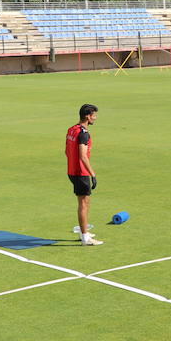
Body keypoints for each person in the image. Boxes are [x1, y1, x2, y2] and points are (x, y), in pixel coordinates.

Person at [66, 103, 103, 246]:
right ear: (88, 116)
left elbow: (66, 151)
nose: (95, 118)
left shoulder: (72, 129)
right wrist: (92, 174)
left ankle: (84, 231)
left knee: (85, 202)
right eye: (94, 115)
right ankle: (85, 238)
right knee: (83, 203)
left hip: (72, 171)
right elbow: (83, 156)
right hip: (80, 173)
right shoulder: (83, 134)